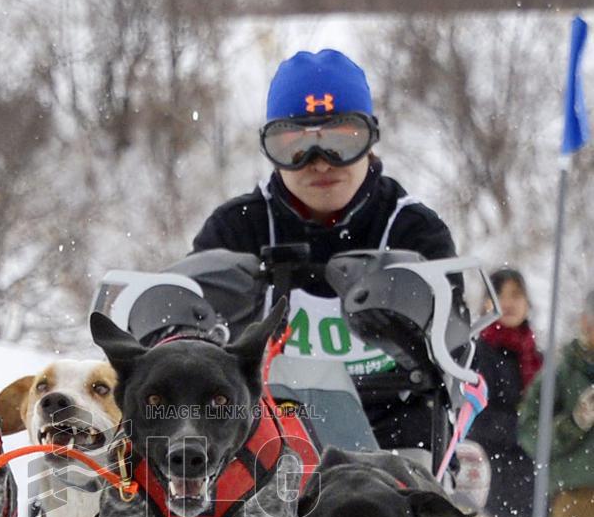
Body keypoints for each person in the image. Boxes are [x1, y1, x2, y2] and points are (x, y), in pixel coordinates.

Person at [192, 48, 464, 453]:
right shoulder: (237, 230)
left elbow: (455, 351)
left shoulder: (413, 232)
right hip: (265, 441)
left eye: (341, 140)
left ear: (370, 140)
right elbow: (187, 351)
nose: (320, 163)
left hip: (395, 437)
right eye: (294, 145)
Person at [469, 268, 542, 517]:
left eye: (518, 294)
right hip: (492, 469)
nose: (510, 303)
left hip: (531, 470)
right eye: (503, 295)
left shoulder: (535, 356)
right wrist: (526, 426)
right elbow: (477, 414)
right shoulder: (478, 351)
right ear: (487, 302)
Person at [519, 289, 594, 517]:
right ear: (585, 322)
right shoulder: (560, 374)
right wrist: (575, 422)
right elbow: (532, 435)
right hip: (577, 494)